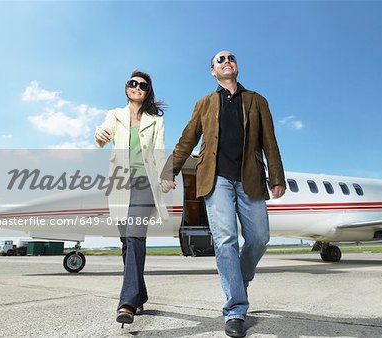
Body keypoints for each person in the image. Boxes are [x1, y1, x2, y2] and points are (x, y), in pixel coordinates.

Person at [160, 51, 286, 338]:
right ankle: (235, 309)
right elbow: (186, 140)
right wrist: (170, 170)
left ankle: (239, 280)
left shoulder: (257, 100)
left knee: (259, 237)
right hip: (216, 180)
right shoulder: (205, 103)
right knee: (226, 239)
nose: (227, 60)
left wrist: (276, 177)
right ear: (212, 71)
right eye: (220, 59)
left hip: (250, 178)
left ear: (237, 67)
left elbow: (270, 141)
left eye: (231, 57)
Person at [95, 70, 168, 327]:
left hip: (144, 182)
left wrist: (166, 175)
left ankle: (126, 302)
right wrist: (100, 136)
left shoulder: (155, 120)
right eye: (133, 83)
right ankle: (140, 294)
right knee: (126, 241)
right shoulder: (114, 115)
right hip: (119, 183)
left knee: (136, 236)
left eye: (143, 85)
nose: (137, 87)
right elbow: (102, 133)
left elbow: (159, 151)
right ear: (127, 88)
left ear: (148, 92)